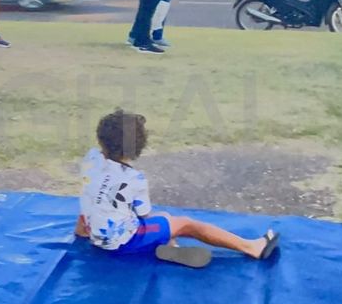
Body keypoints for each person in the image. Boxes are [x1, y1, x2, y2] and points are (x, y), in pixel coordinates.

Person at [76, 109, 280, 268]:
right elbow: (145, 215)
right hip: (120, 243)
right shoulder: (133, 179)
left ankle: (163, 243)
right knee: (183, 224)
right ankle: (252, 247)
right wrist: (168, 225)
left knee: (109, 202)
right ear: (137, 148)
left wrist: (82, 230)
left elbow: (90, 192)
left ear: (101, 138)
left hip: (95, 234)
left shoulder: (91, 158)